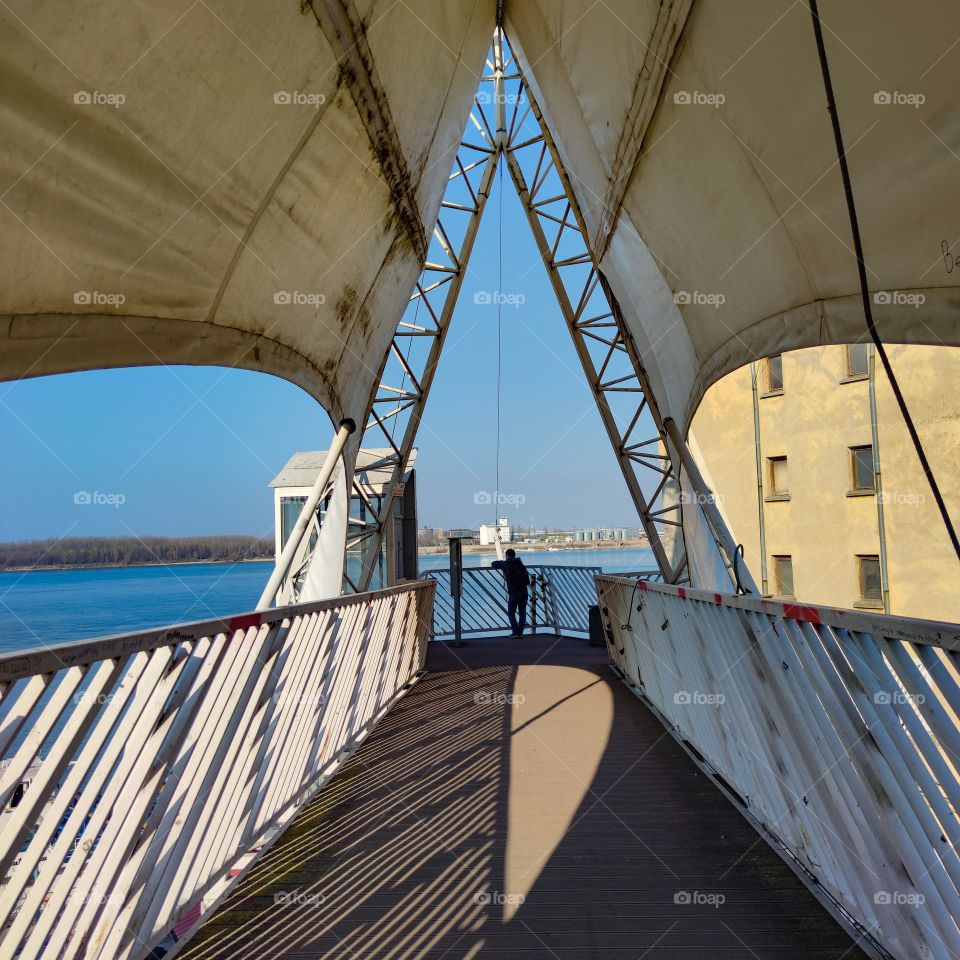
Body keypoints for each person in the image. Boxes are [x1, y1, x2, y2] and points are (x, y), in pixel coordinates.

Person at [491, 548, 532, 638]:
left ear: (507, 555)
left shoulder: (505, 564)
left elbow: (493, 564)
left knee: (511, 613)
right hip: (524, 591)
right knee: (522, 612)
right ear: (514, 555)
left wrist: (501, 561)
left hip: (514, 592)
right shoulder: (520, 563)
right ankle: (520, 633)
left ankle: (515, 633)